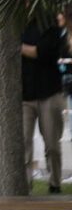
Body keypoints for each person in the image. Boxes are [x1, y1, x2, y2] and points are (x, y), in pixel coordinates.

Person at [22, 14, 66, 193]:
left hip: (49, 92)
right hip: (24, 94)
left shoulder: (49, 24)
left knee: (52, 144)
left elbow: (42, 52)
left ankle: (55, 182)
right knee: (23, 143)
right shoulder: (15, 25)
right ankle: (25, 186)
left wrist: (17, 47)